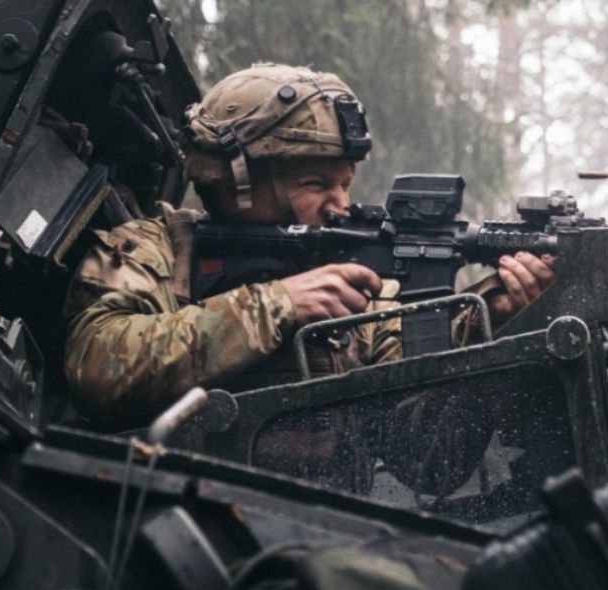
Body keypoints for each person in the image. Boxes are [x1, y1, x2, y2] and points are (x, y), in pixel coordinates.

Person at [63, 64, 555, 442]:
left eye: (345, 183)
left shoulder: (363, 290)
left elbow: (425, 456)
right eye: (316, 184)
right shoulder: (156, 253)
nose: (340, 205)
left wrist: (490, 322)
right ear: (240, 185)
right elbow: (98, 367)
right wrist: (276, 304)